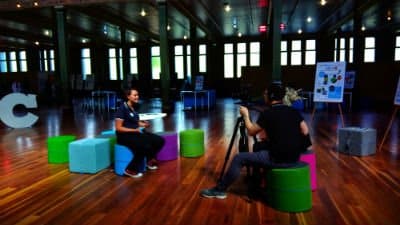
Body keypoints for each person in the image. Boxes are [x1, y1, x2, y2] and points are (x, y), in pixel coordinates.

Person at [200, 83, 312, 199]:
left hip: (278, 159)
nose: (264, 96)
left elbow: (251, 132)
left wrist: (246, 116)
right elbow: (305, 130)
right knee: (259, 146)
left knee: (239, 158)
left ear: (271, 96)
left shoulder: (268, 114)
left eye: (265, 93)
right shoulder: (293, 111)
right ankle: (256, 183)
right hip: (294, 158)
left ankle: (220, 190)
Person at [114, 87, 165, 178]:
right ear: (128, 96)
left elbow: (134, 121)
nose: (137, 97)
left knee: (159, 140)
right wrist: (135, 130)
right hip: (124, 136)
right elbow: (118, 128)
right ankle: (130, 169)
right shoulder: (122, 109)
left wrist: (143, 124)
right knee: (144, 146)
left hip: (134, 133)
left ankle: (148, 161)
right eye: (134, 95)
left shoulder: (133, 108)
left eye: (137, 95)